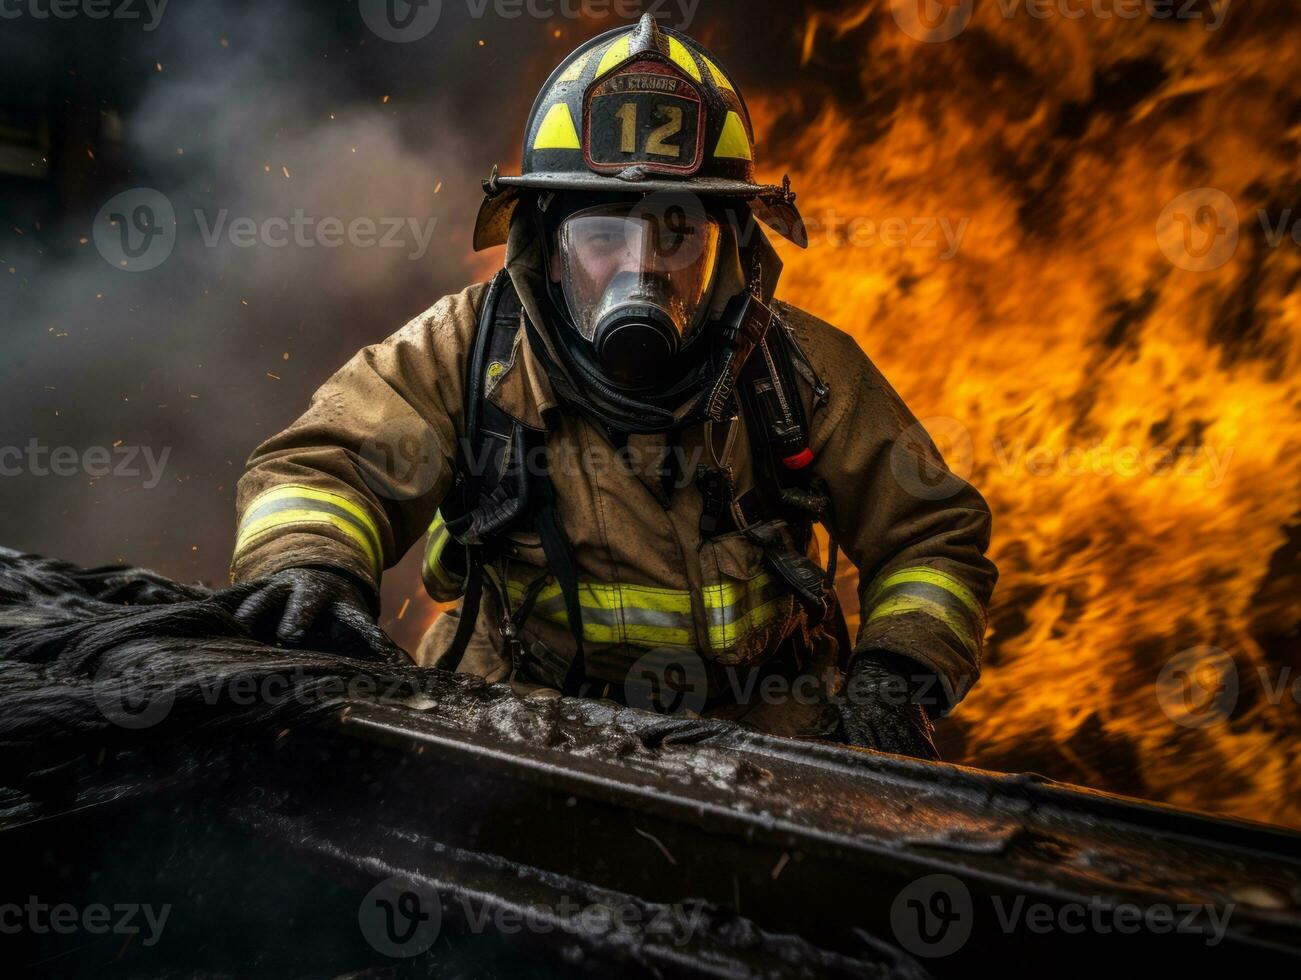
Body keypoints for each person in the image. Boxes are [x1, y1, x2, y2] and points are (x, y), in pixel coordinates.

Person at [229, 15, 996, 759]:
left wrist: (896, 677)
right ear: (545, 244)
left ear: (730, 247)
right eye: (601, 236)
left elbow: (930, 536)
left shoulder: (795, 368)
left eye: (676, 233)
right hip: (519, 724)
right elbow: (318, 472)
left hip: (770, 739)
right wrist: (310, 566)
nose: (641, 268)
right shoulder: (466, 353)